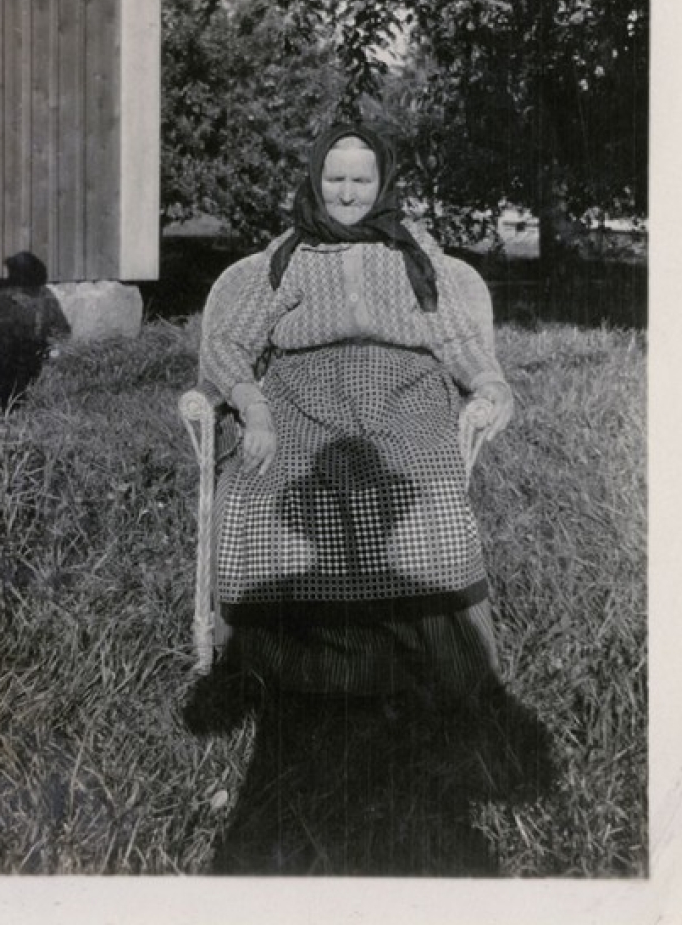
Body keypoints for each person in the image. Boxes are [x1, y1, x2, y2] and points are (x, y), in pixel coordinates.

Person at [198, 122, 514, 703]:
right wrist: (254, 409)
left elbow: (454, 338)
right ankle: (279, 674)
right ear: (317, 180)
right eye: (335, 178)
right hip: (303, 394)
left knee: (424, 497)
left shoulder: (412, 252)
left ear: (382, 181)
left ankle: (435, 672)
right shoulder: (288, 253)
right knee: (261, 492)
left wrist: (490, 384)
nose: (347, 193)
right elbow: (228, 343)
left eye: (360, 180)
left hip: (405, 394)